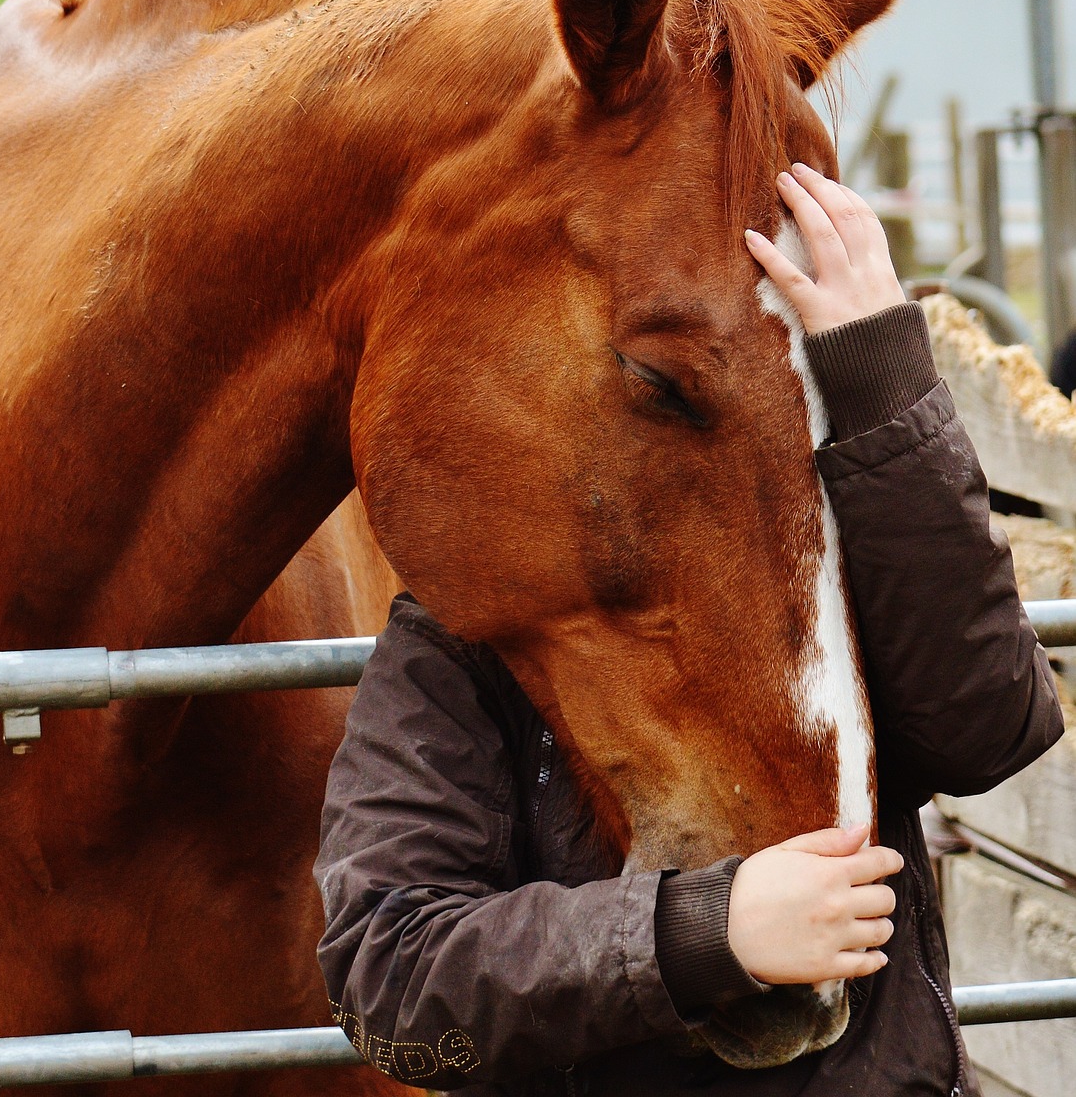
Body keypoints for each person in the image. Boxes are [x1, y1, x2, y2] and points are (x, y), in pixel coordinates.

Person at [314, 165, 1065, 1097]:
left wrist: (884, 379)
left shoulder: (815, 540)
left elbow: (987, 727)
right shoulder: (465, 632)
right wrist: (707, 931)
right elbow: (392, 975)